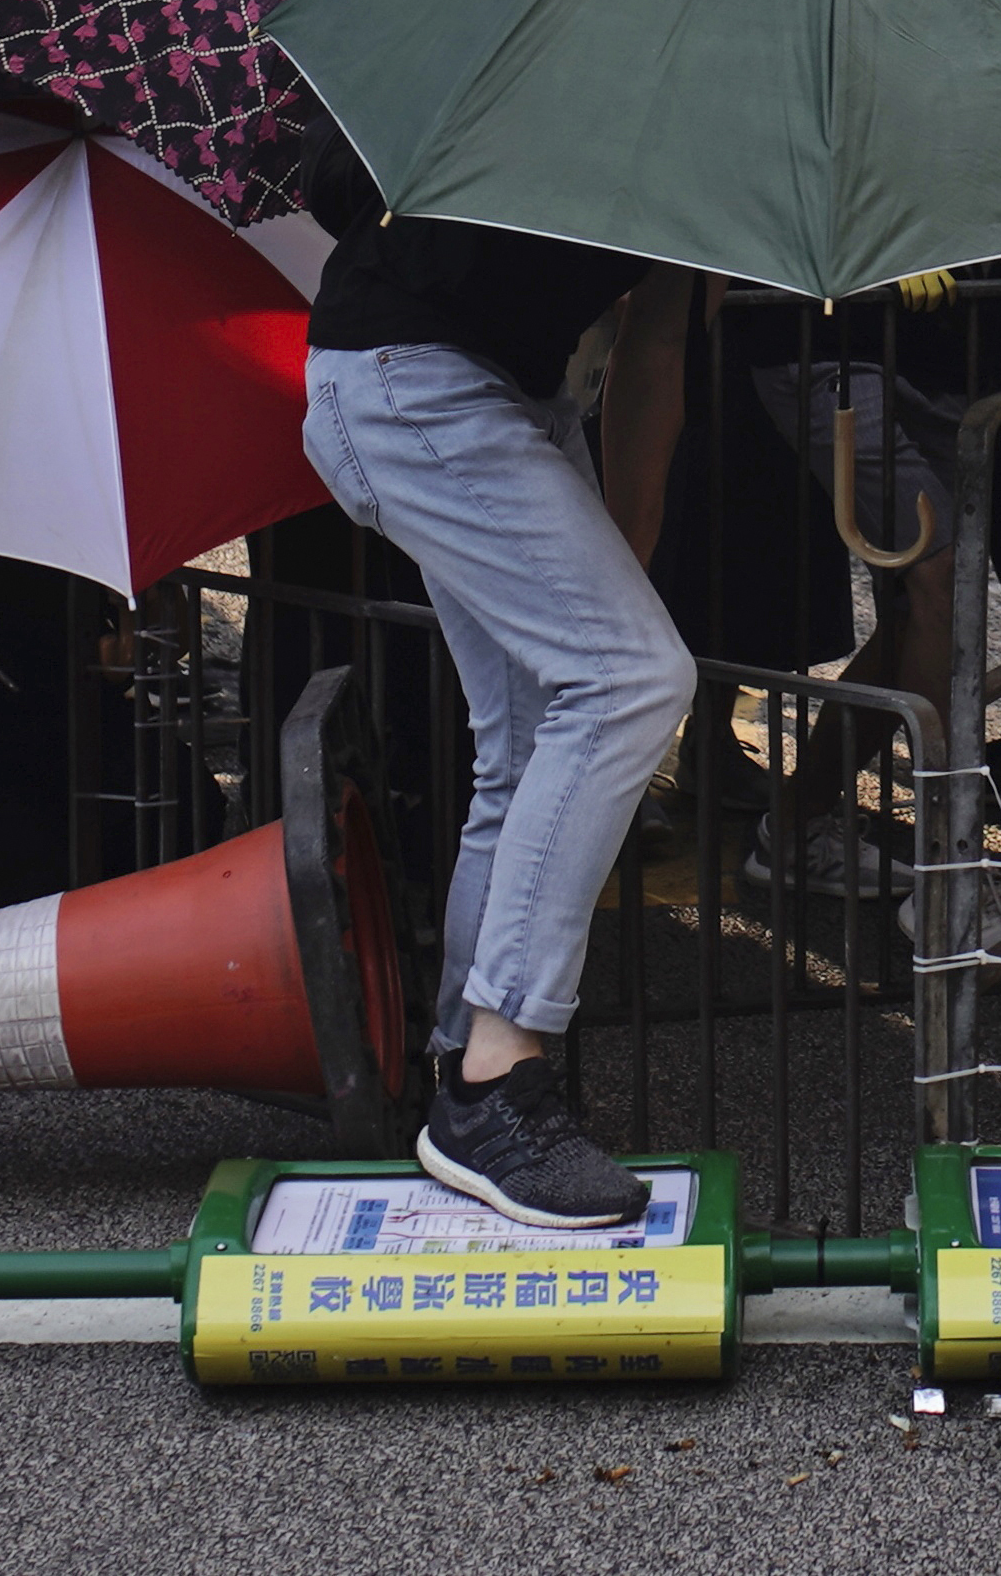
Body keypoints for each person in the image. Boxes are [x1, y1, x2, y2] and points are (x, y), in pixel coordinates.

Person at [297, 128, 696, 1228]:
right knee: (628, 685)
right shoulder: (566, 49)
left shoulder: (710, 121)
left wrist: (621, 553)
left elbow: (655, 351)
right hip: (404, 383)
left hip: (506, 398)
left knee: (532, 739)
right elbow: (336, 183)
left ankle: (459, 1061)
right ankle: (492, 1082)